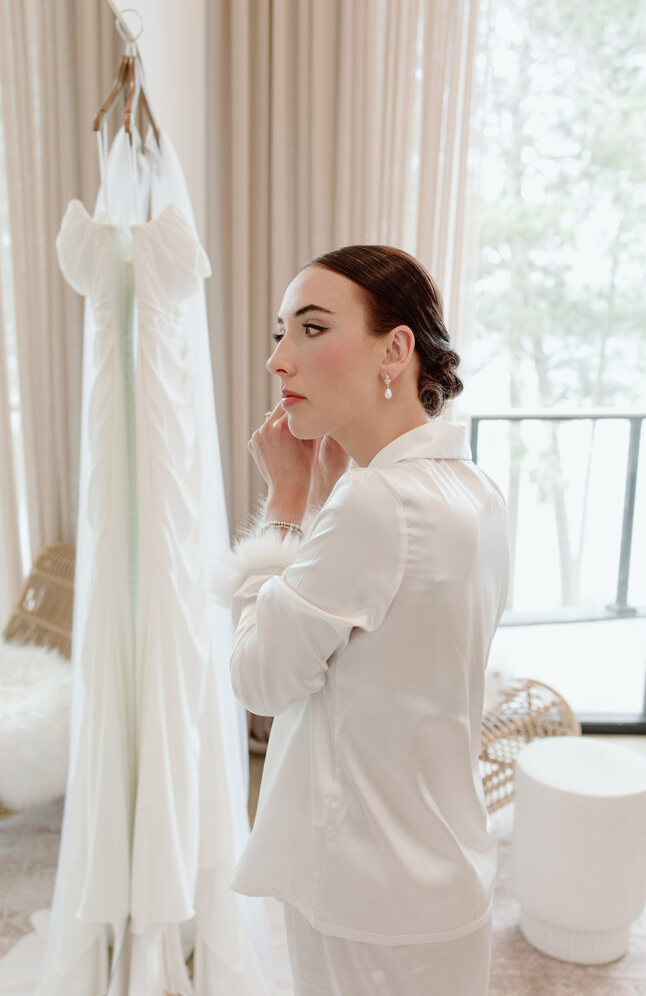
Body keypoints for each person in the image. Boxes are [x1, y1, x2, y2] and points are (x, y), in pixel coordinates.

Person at [213, 245, 510, 996]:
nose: (279, 360)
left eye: (310, 329)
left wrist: (284, 504)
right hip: (442, 868)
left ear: (395, 349)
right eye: (279, 333)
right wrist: (324, 505)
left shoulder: (375, 504)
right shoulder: (472, 489)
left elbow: (261, 679)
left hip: (365, 888)